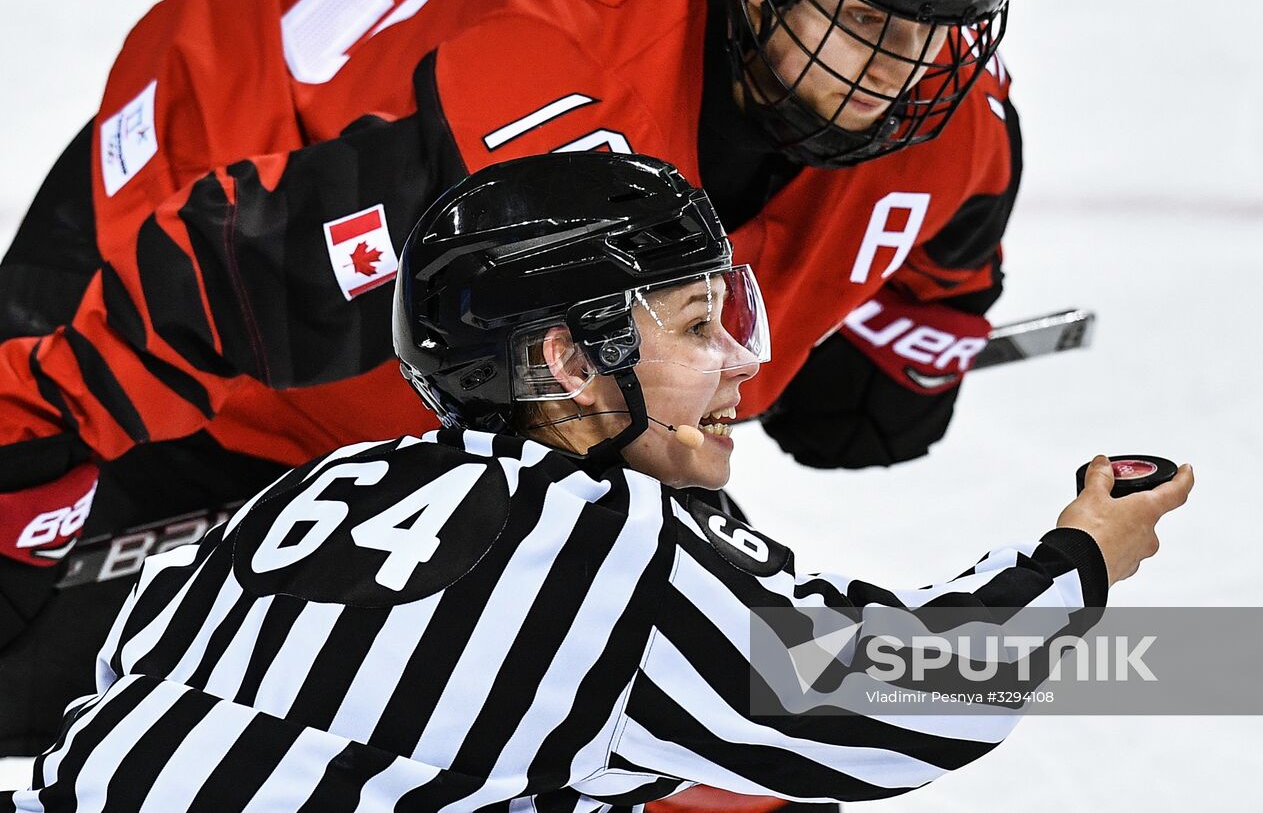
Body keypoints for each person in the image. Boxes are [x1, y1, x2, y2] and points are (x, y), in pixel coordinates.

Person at [0, 0, 1026, 756]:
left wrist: (880, 370)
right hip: (205, 192)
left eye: (943, 25)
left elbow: (913, 320)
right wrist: (26, 446)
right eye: (868, 18)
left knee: (695, 720)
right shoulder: (550, 91)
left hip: (447, 391)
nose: (905, 67)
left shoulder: (955, 128)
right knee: (42, 690)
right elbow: (237, 280)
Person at [2, 153, 1193, 811]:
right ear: (568, 360)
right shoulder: (611, 546)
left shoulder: (312, 487)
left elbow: (134, 693)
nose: (739, 359)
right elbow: (905, 698)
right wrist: (1080, 549)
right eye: (692, 325)